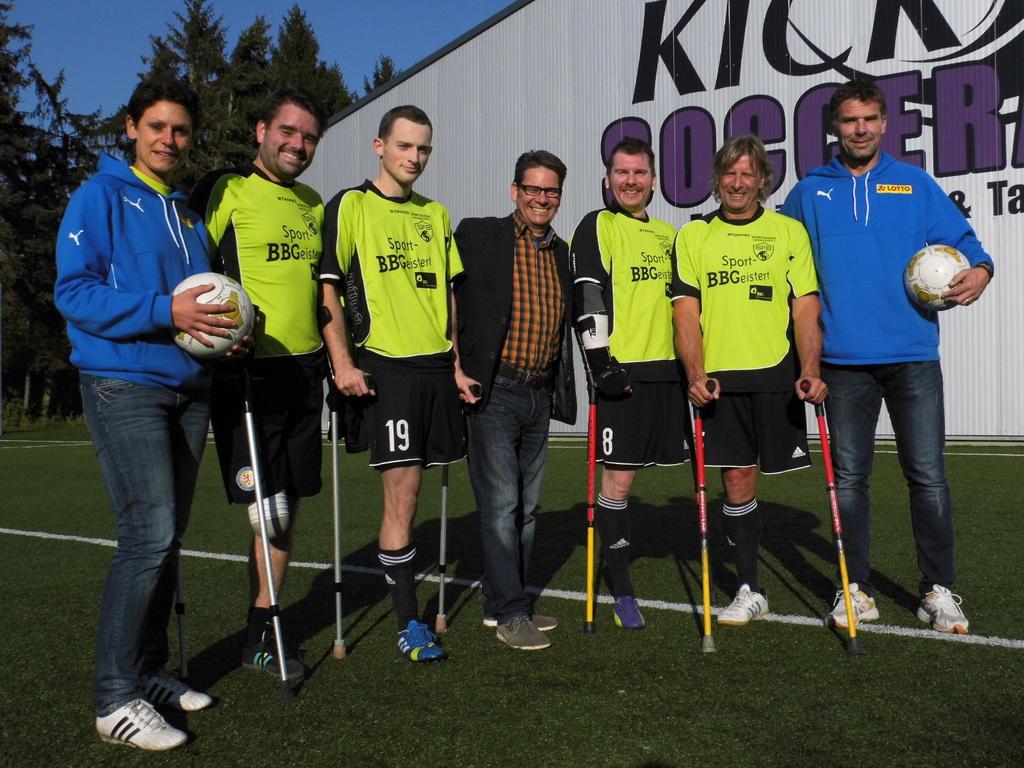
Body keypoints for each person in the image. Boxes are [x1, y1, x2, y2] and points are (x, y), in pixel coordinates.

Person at [781, 78, 994, 633]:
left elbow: (969, 248)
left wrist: (981, 272)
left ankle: (938, 589)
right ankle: (855, 588)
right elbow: (784, 268)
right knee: (849, 480)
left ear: (884, 123)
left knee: (927, 476)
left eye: (870, 119)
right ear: (834, 126)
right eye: (850, 120)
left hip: (912, 355)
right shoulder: (808, 193)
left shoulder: (914, 184)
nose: (861, 129)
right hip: (841, 363)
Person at [55, 77, 230, 750]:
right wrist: (165, 311)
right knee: (147, 533)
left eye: (180, 130)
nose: (169, 139)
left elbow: (201, 304)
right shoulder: (98, 196)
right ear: (131, 127)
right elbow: (74, 291)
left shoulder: (186, 214)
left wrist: (225, 329)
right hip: (121, 384)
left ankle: (148, 670)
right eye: (156, 126)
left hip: (188, 387)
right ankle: (113, 697)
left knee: (169, 536)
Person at [320, 105, 468, 663]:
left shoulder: (436, 214)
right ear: (378, 146)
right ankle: (408, 622)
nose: (415, 158)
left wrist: (455, 364)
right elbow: (328, 289)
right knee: (402, 496)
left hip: (435, 369)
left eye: (424, 149)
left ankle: (409, 612)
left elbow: (449, 296)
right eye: (405, 146)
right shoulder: (351, 205)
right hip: (387, 368)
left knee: (423, 487)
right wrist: (342, 363)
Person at [189, 87, 327, 678]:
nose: (298, 145)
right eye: (288, 132)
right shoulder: (224, 190)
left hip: (305, 371)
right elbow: (191, 271)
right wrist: (218, 333)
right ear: (261, 131)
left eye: (310, 137)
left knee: (287, 508)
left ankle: (260, 631)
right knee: (265, 511)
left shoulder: (314, 203)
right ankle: (265, 630)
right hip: (247, 374)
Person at [671, 134, 825, 625]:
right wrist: (695, 374)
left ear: (762, 180)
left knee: (782, 478)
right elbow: (685, 313)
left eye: (748, 174)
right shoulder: (693, 236)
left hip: (776, 374)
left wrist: (810, 369)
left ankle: (846, 586)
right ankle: (749, 587)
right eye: (729, 174)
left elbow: (804, 309)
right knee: (735, 479)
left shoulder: (788, 232)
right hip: (720, 380)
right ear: (717, 180)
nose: (738, 182)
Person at [453, 150, 577, 651]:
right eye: (533, 189)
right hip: (494, 390)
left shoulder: (561, 252)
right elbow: (449, 297)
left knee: (526, 508)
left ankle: (503, 599)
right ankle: (510, 611)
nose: (541, 198)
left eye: (551, 191)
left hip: (539, 393)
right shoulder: (479, 235)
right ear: (515, 191)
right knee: (501, 505)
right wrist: (454, 365)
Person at [570, 137, 687, 630]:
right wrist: (600, 364)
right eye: (621, 173)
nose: (631, 181)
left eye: (640, 173)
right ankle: (621, 588)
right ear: (607, 180)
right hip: (625, 373)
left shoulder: (671, 234)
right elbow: (588, 293)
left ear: (654, 180)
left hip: (671, 374)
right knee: (618, 481)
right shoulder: (598, 225)